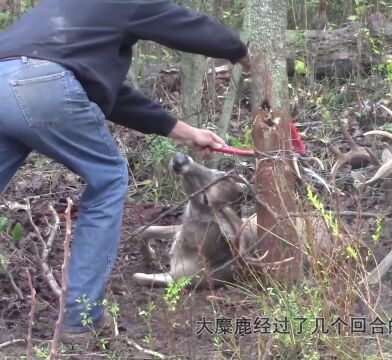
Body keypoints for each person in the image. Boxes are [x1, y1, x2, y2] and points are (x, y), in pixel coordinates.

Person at [0, 0, 250, 345]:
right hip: (41, 85)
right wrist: (241, 52)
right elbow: (182, 24)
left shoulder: (67, 21)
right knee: (109, 178)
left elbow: (109, 95)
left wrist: (185, 132)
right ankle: (80, 318)